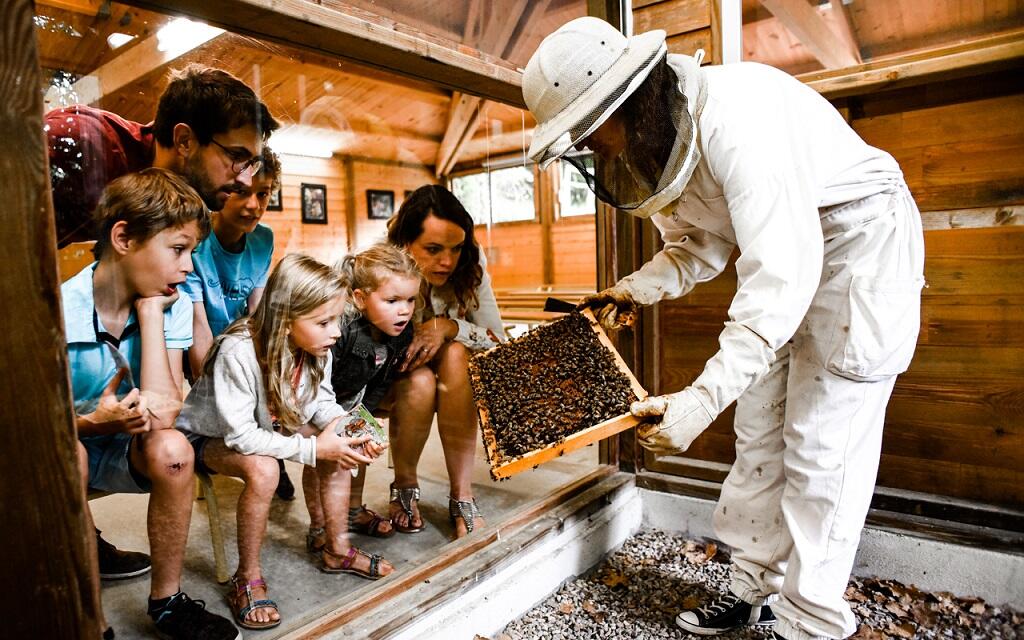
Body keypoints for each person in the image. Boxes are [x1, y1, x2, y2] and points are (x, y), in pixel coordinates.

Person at [523, 17, 925, 640]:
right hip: (790, 250)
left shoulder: (740, 123)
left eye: (587, 132)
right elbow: (697, 247)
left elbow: (780, 278)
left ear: (626, 100)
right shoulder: (660, 143)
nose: (592, 148)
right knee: (759, 429)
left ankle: (812, 622)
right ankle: (751, 590)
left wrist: (701, 398)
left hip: (859, 239)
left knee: (823, 441)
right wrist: (632, 290)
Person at [48, 62, 280, 578]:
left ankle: (101, 553)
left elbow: (164, 399)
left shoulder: (170, 264)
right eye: (237, 157)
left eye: (255, 163)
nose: (246, 180)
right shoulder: (84, 143)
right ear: (184, 140)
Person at [64, 168, 240, 640]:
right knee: (70, 456)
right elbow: (28, 425)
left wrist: (149, 314)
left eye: (192, 253)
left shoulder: (170, 303)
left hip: (128, 444)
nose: (188, 267)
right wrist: (88, 423)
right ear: (123, 238)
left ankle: (167, 601)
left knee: (175, 450)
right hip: (66, 442)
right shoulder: (56, 309)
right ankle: (88, 615)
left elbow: (163, 413)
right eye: (178, 250)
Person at [177, 253, 393, 629]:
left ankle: (336, 549)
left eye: (336, 321)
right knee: (264, 471)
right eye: (323, 322)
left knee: (341, 443)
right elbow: (241, 436)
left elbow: (321, 401)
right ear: (285, 320)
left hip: (272, 423)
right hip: (208, 438)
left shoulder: (315, 347)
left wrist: (351, 428)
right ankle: (247, 577)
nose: (336, 332)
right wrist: (312, 449)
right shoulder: (238, 351)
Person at [385, 185, 506, 538]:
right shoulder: (382, 265)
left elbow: (498, 339)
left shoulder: (471, 264)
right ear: (405, 244)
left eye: (456, 248)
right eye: (434, 249)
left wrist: (448, 326)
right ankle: (404, 485)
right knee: (420, 381)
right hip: (396, 376)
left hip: (455, 377)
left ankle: (462, 495)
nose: (448, 262)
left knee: (456, 354)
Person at [181, 146, 296, 501]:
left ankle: (273, 452)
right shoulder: (197, 244)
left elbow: (259, 313)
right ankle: (216, 446)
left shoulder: (263, 240)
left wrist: (271, 366)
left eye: (262, 194)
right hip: (198, 342)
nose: (253, 205)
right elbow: (197, 330)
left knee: (276, 373)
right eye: (242, 192)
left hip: (240, 340)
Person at [308, 242, 422, 543]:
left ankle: (352, 511)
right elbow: (318, 383)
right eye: (392, 300)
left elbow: (382, 380)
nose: (405, 310)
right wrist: (335, 421)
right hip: (313, 400)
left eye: (411, 299)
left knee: (360, 444)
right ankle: (318, 525)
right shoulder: (341, 330)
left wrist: (363, 418)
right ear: (360, 298)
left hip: (352, 399)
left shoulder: (403, 332)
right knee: (323, 457)